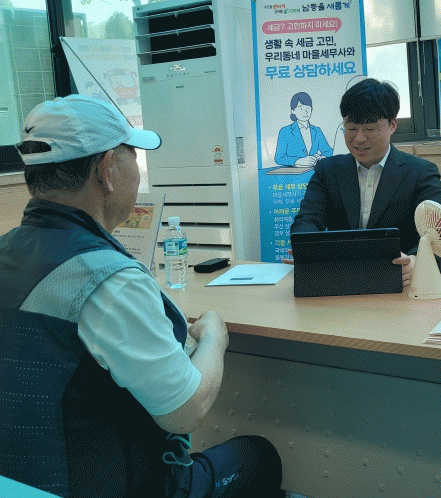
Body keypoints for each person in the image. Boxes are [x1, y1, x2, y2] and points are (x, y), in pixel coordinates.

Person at [0, 95, 283, 498]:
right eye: (132, 155)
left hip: (19, 484)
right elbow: (185, 411)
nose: (137, 170)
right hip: (105, 485)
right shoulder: (105, 279)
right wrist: (215, 338)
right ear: (107, 170)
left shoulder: (8, 252)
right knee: (259, 456)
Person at [289, 78, 441, 287]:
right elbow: (308, 219)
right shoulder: (328, 171)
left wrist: (416, 261)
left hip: (399, 283)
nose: (359, 138)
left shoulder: (421, 173)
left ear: (393, 125)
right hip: (341, 280)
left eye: (370, 129)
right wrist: (306, 247)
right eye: (351, 128)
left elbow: (439, 235)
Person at [274, 91, 332, 167]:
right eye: (301, 108)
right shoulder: (285, 131)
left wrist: (321, 158)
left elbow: (329, 151)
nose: (305, 112)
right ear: (293, 111)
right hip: (292, 172)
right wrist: (297, 161)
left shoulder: (317, 131)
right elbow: (279, 158)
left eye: (308, 108)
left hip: (314, 171)